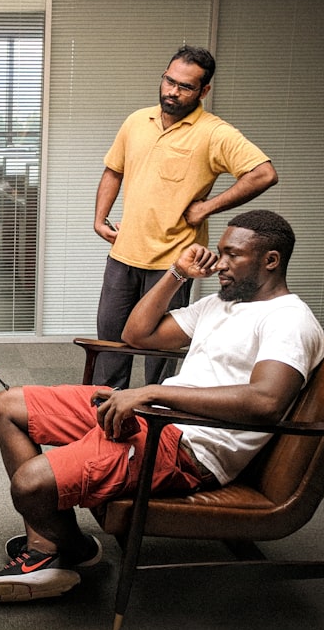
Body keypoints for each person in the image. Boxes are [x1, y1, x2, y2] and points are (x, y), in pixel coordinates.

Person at [0, 210, 324, 603]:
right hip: (157, 418)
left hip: (190, 449)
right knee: (9, 405)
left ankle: (61, 548)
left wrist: (154, 393)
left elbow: (266, 401)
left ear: (271, 260)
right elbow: (137, 333)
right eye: (220, 251)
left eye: (233, 255)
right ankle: (57, 546)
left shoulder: (289, 320)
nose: (220, 263)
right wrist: (177, 273)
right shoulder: (219, 303)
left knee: (29, 485)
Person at [93, 46, 278, 389]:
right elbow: (113, 171)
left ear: (204, 91)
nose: (172, 91)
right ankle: (105, 419)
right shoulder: (137, 121)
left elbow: (263, 174)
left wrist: (208, 207)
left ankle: (155, 417)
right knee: (110, 344)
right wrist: (100, 218)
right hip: (124, 253)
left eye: (185, 86)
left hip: (173, 262)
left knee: (158, 352)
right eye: (168, 81)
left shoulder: (214, 133)